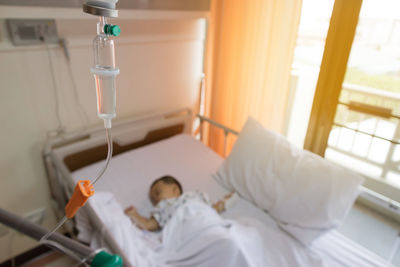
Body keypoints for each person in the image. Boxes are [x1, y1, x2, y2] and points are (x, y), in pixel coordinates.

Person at [124, 175, 234, 231]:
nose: (155, 200)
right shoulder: (163, 208)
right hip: (190, 231)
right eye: (152, 200)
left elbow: (212, 210)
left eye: (157, 193)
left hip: (207, 222)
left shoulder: (195, 195)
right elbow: (148, 225)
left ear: (175, 189)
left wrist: (225, 201)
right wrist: (134, 214)